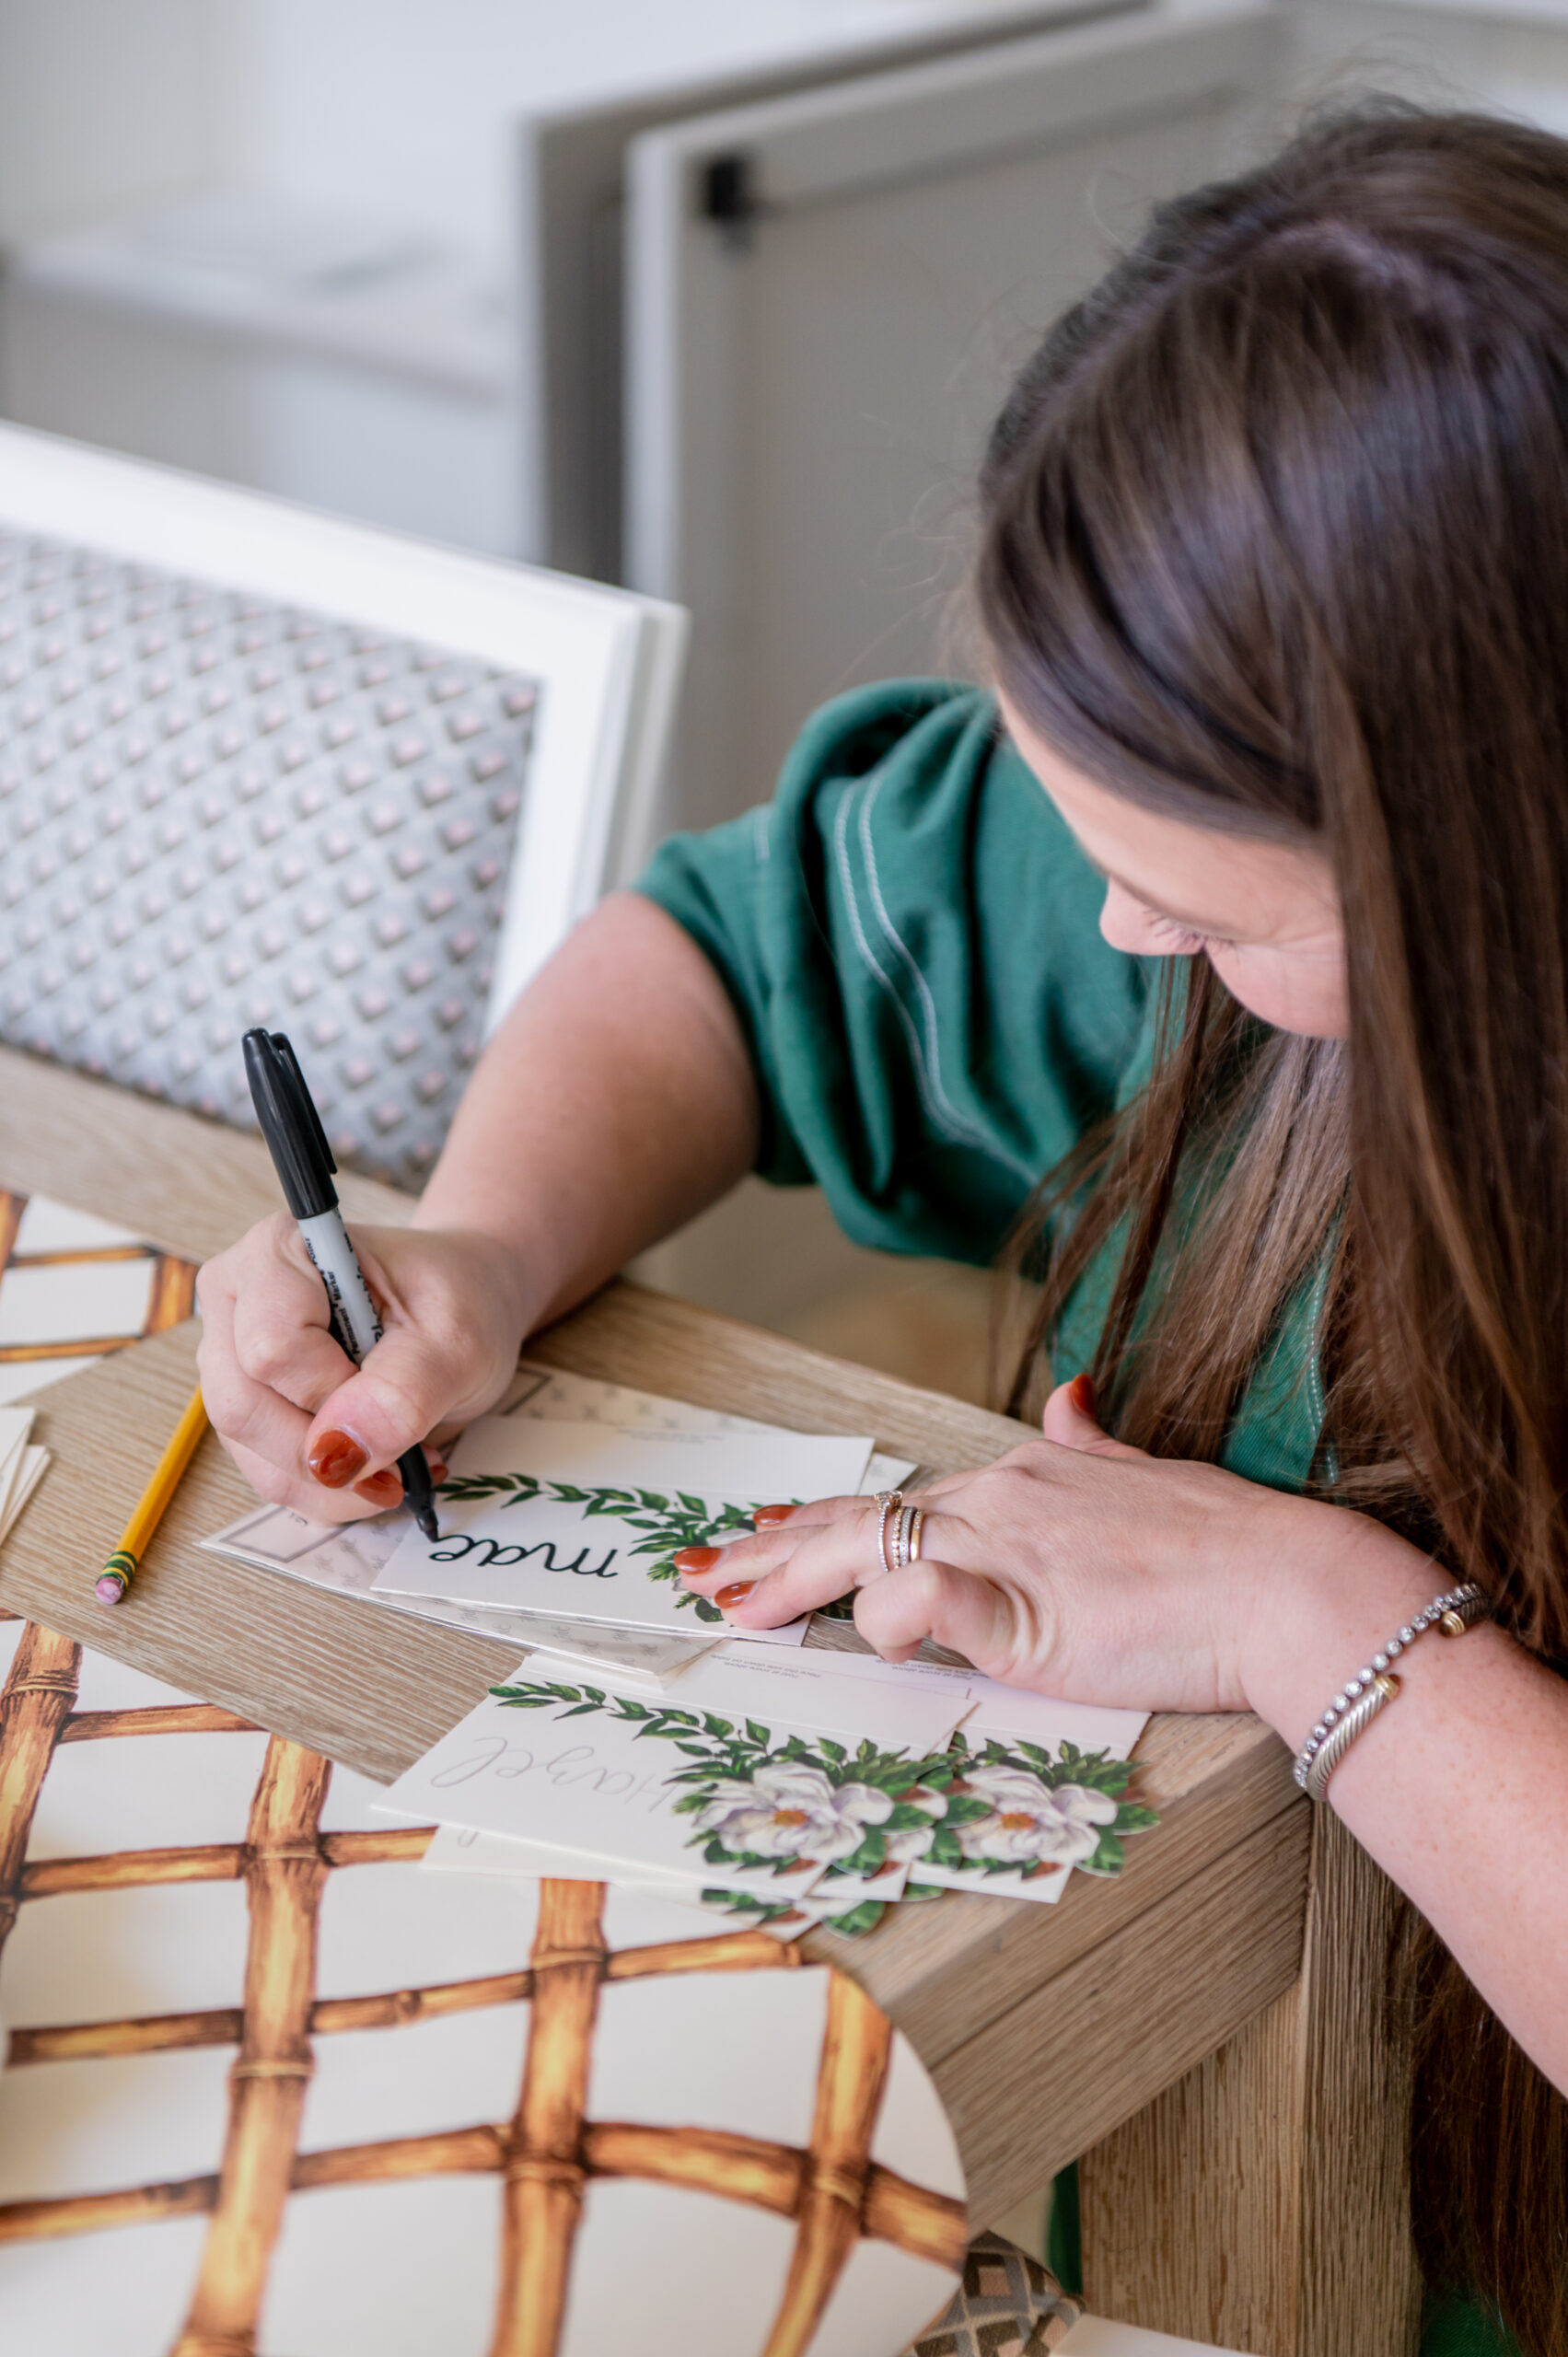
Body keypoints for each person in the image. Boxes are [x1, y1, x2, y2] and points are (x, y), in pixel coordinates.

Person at [197, 105, 1568, 2357]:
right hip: (1196, 2136)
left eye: (1209, 907)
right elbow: (732, 956)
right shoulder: (1171, 879)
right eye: (1091, 840)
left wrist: (1319, 1613)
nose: (1118, 922)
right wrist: (480, 1244)